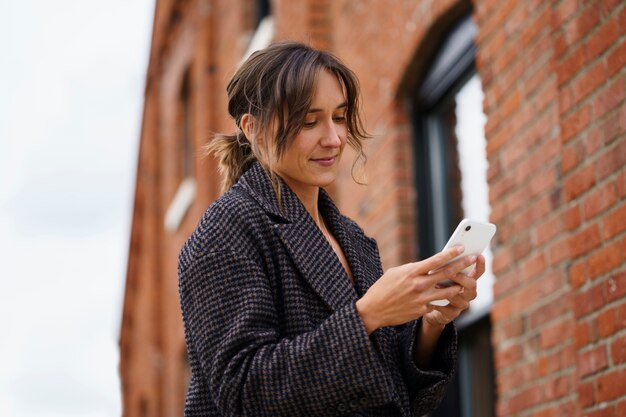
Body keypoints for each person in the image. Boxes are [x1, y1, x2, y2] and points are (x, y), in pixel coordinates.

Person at [178, 41, 485, 417]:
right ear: (253, 129)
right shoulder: (227, 228)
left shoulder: (355, 239)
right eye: (309, 121)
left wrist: (431, 325)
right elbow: (242, 393)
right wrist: (367, 315)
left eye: (339, 117)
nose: (334, 138)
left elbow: (393, 394)